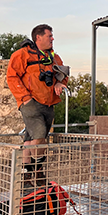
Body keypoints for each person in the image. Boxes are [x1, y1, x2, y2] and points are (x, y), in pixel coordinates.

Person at [7, 24, 68, 187]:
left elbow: (63, 73)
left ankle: (27, 176)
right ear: (38, 37)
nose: (52, 38)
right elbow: (12, 77)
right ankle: (38, 170)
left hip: (48, 103)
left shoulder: (54, 57)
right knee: (40, 136)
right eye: (50, 35)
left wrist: (60, 83)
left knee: (31, 139)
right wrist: (24, 97)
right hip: (30, 102)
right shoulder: (22, 55)